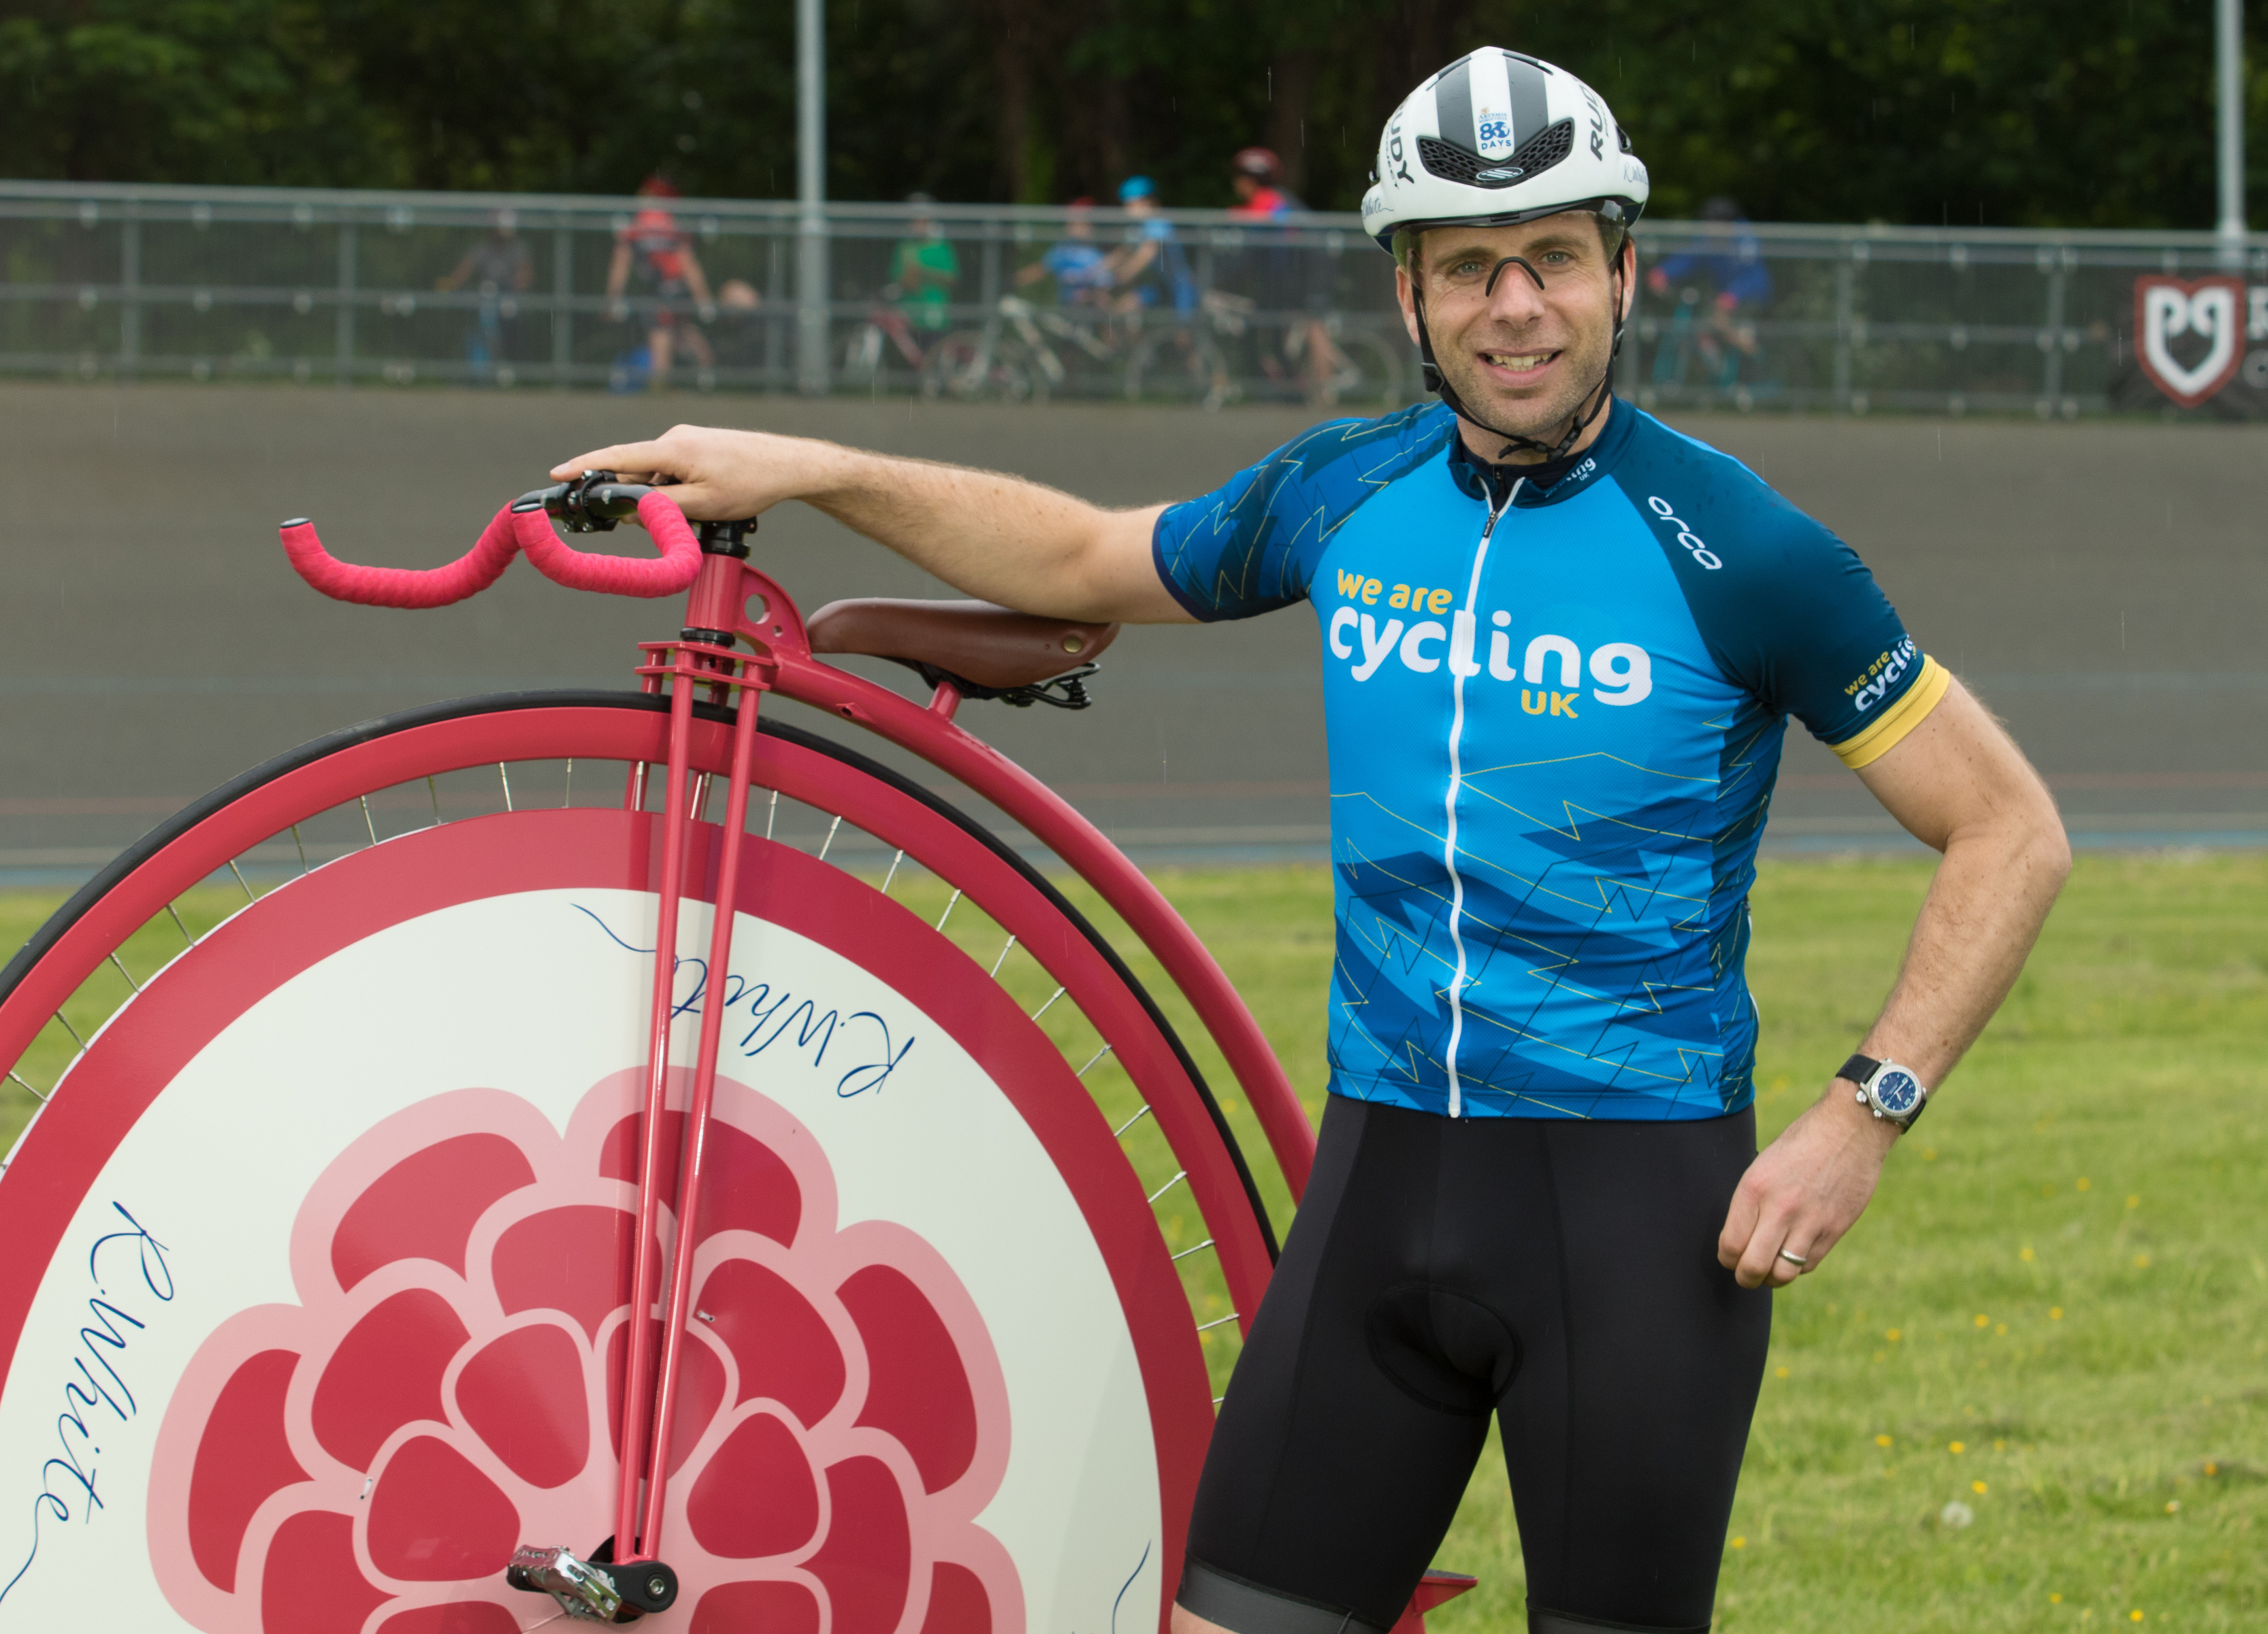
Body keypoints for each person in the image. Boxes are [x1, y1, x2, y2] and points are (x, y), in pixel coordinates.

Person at [544, 45, 2070, 1634]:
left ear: (1625, 275)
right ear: (1408, 297)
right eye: (1467, 267)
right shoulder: (1345, 492)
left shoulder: (1742, 548)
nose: (1515, 305)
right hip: (1378, 1189)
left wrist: (1861, 1112)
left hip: (1635, 1220)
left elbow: (2004, 825)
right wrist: (821, 468)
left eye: (1552, 258)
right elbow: (1080, 552)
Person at [1228, 146, 1337, 400]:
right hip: (1298, 270)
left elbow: (1266, 219)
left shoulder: (1272, 199)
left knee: (1314, 323)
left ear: (1250, 179)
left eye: (1239, 178)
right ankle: (1297, 384)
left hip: (1313, 268)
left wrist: (1232, 217)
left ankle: (1325, 391)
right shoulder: (1271, 198)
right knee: (1287, 325)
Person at [605, 175, 719, 391]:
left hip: (663, 289)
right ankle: (710, 376)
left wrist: (613, 297)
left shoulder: (637, 224)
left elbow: (621, 264)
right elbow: (690, 265)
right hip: (676, 289)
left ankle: (660, 386)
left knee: (660, 333)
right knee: (682, 332)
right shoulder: (670, 222)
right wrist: (703, 299)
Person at [1647, 195, 1774, 382]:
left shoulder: (1746, 240)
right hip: (1723, 303)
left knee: (1733, 334)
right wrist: (1664, 272)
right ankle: (1722, 380)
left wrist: (1734, 295)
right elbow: (1690, 256)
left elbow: (1755, 276)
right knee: (1703, 333)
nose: (1708, 228)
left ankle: (1761, 370)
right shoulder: (1709, 238)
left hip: (1750, 301)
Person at [436, 208, 535, 383]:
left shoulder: (518, 249)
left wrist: (516, 290)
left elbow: (524, 275)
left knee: (509, 334)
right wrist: (451, 283)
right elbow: (465, 269)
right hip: (487, 300)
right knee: (482, 328)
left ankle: (506, 371)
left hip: (508, 299)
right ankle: (479, 374)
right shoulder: (484, 249)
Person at [1106, 176, 1199, 317]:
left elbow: (1146, 254)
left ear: (1149, 202)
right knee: (1122, 308)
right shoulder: (1139, 227)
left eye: (1133, 205)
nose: (1129, 211)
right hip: (1160, 286)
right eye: (1127, 205)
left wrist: (1120, 277)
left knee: (1183, 336)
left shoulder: (1159, 223)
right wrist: (1093, 271)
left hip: (1180, 288)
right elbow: (1121, 253)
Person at [1014, 196, 1117, 308]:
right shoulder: (1064, 248)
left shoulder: (1101, 252)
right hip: (1069, 308)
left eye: (1080, 222)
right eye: (1071, 222)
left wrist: (1091, 296)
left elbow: (1105, 291)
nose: (1071, 226)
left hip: (1093, 310)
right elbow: (1041, 269)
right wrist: (1013, 281)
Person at [889, 192, 960, 338]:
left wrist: (924, 271)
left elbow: (951, 278)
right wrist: (911, 275)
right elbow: (902, 281)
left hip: (936, 316)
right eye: (914, 220)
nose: (918, 224)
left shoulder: (941, 246)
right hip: (910, 317)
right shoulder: (905, 246)